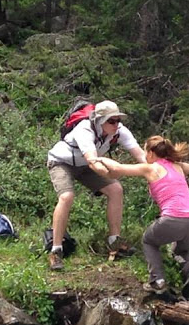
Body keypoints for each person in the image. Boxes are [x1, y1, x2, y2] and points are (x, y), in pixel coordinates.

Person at [99, 135, 189, 299]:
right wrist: (173, 160)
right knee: (181, 250)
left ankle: (157, 281)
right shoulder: (177, 167)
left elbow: (118, 169)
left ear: (151, 153)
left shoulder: (151, 168)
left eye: (145, 150)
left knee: (149, 240)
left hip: (173, 218)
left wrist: (98, 158)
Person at [46, 100, 146, 270]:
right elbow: (93, 162)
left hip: (84, 165)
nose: (116, 124)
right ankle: (56, 251)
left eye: (118, 120)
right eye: (111, 121)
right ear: (99, 120)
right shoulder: (84, 129)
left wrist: (157, 171)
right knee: (66, 196)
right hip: (62, 162)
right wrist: (114, 172)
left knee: (116, 189)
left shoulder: (119, 131)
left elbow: (140, 155)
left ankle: (115, 241)